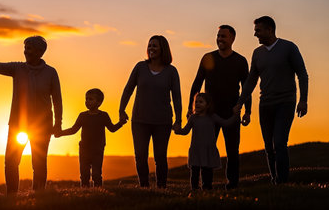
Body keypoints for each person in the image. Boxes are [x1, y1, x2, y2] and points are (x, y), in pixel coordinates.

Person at [0, 36, 62, 194]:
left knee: (39, 162)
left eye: (29, 48)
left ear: (39, 52)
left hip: (42, 125)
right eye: (25, 47)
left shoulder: (51, 73)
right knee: (11, 162)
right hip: (18, 124)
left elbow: (57, 99)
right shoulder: (17, 68)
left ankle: (38, 195)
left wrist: (58, 123)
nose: (25, 51)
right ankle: (11, 196)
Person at [235, 16, 309, 184]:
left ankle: (282, 182)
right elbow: (251, 81)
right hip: (265, 104)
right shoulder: (257, 53)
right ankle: (274, 180)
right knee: (269, 146)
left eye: (258, 31)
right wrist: (240, 103)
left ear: (270, 30)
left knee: (280, 142)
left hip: (286, 102)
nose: (255, 35)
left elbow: (302, 74)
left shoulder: (289, 48)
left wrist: (303, 100)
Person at [187, 25, 251, 189]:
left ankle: (232, 184)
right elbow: (197, 83)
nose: (220, 39)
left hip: (231, 113)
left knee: (232, 151)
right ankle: (205, 185)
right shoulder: (208, 57)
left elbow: (246, 88)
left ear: (232, 39)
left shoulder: (240, 61)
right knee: (206, 148)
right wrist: (190, 108)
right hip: (209, 114)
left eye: (223, 36)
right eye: (218, 36)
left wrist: (247, 111)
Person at [119, 35, 182, 188]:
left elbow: (177, 97)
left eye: (155, 46)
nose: (151, 49)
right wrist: (121, 110)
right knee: (140, 156)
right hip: (140, 120)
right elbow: (128, 89)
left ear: (163, 49)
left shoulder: (171, 71)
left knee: (160, 156)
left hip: (163, 121)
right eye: (149, 46)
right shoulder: (140, 67)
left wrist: (179, 119)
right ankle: (144, 186)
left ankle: (161, 187)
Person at [55, 88, 127, 187]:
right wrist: (60, 133)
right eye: (86, 99)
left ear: (99, 102)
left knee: (97, 174)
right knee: (84, 174)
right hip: (84, 149)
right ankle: (85, 192)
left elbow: (112, 128)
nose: (87, 101)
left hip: (98, 150)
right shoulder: (82, 116)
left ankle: (98, 191)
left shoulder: (103, 116)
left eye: (90, 99)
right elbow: (73, 129)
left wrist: (121, 123)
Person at [174, 93, 239, 190]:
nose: (197, 104)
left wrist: (235, 115)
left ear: (207, 105)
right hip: (196, 150)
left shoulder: (212, 117)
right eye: (196, 102)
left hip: (208, 150)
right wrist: (177, 130)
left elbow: (226, 123)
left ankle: (207, 189)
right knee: (194, 172)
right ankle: (194, 190)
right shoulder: (193, 118)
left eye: (201, 102)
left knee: (207, 172)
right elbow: (185, 131)